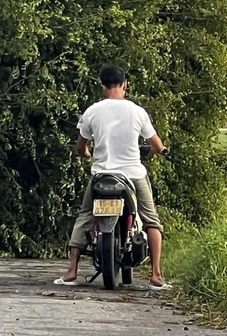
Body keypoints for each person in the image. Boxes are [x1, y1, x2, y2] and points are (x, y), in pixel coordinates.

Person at [54, 64, 172, 290]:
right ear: (125, 85)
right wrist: (162, 151)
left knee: (85, 216)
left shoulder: (92, 111)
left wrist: (88, 154)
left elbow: (81, 147)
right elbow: (156, 145)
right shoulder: (137, 111)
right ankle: (156, 276)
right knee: (151, 221)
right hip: (132, 175)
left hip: (102, 175)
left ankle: (71, 272)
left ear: (102, 87)